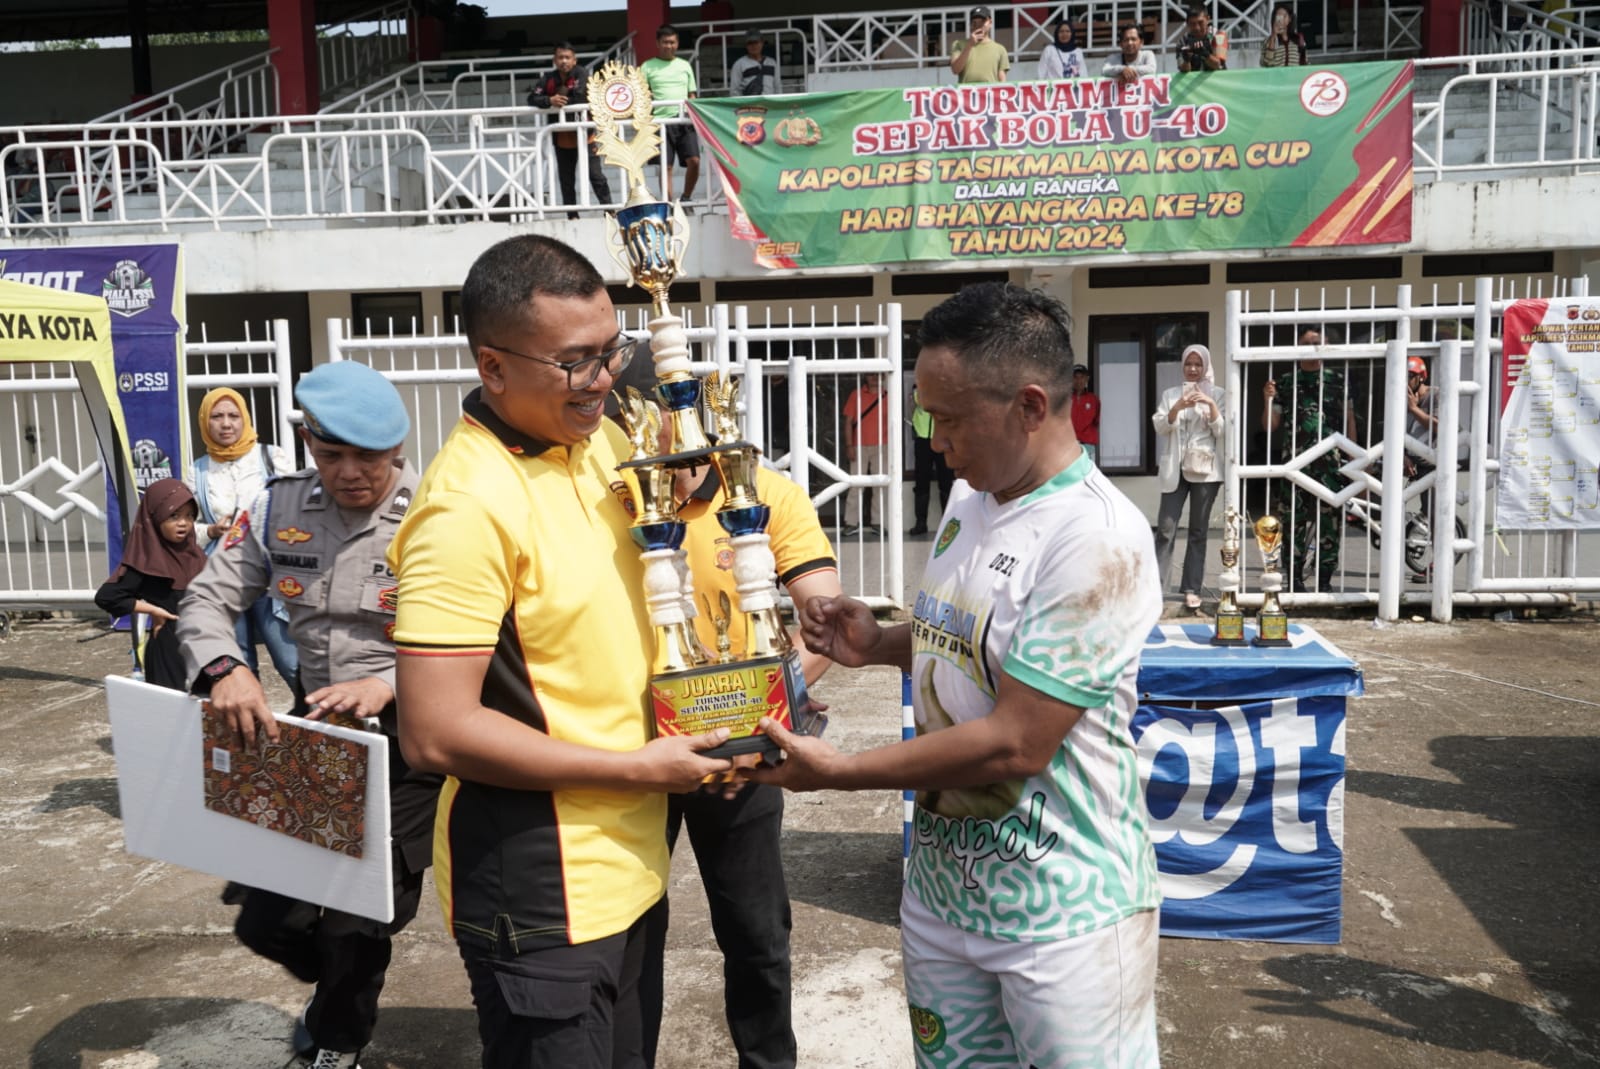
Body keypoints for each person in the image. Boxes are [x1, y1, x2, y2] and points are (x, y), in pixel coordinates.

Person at [750, 282, 1164, 1069]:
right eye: (923, 414)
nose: (932, 439)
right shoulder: (969, 498)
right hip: (944, 897)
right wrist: (878, 644)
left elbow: (1016, 742)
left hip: (1063, 914)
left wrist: (837, 773)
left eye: (948, 418)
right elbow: (969, 642)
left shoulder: (1096, 539)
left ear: (1031, 406)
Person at [386, 234, 733, 1069]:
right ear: (494, 367)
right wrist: (640, 769)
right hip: (543, 887)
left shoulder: (599, 439)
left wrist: (700, 488)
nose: (606, 379)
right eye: (576, 362)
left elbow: (677, 513)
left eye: (611, 350)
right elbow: (434, 732)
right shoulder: (466, 507)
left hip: (630, 863)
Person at [176, 360, 444, 1069]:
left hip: (412, 734)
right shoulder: (276, 506)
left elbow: (489, 631)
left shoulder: (438, 513)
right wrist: (228, 669)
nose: (351, 472)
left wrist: (390, 682)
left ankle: (337, 1039)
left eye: (369, 455)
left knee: (363, 915)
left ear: (399, 447)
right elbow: (205, 599)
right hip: (315, 731)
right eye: (332, 454)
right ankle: (333, 991)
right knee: (269, 919)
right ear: (307, 442)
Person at [622, 357, 842, 1069]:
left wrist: (769, 717)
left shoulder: (764, 493)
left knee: (755, 934)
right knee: (627, 935)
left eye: (657, 407)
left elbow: (825, 623)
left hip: (745, 755)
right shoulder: (606, 503)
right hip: (636, 756)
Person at [189, 386, 298, 687]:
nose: (226, 424)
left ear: (245, 418)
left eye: (234, 416)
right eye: (217, 416)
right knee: (239, 666)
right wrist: (210, 531)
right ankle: (251, 732)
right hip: (224, 578)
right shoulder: (197, 471)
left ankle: (318, 726)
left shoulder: (271, 457)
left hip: (268, 575)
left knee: (290, 660)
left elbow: (294, 507)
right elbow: (186, 527)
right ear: (204, 422)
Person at [1261, 329, 1357, 592]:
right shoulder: (1286, 382)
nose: (1313, 347)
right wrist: (1267, 400)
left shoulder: (1338, 381)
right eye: (1307, 343)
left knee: (1330, 524)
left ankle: (1324, 582)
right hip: (1296, 464)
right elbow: (1271, 425)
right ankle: (1294, 580)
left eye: (1317, 343)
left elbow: (1349, 421)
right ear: (1297, 347)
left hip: (1330, 465)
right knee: (1294, 522)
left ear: (1326, 346)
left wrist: (1355, 458)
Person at [96, 478, 206, 690]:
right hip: (170, 650)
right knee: (175, 715)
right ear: (155, 516)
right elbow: (107, 597)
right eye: (174, 515)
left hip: (204, 644)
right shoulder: (146, 560)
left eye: (189, 516)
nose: (183, 523)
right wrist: (154, 609)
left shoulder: (195, 554)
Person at [1153, 344, 1224, 611]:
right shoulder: (1171, 394)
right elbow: (1159, 426)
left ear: (1205, 366)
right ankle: (1158, 588)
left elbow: (1223, 431)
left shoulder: (1218, 394)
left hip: (1206, 471)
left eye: (1198, 364)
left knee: (1198, 531)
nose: (1193, 369)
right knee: (1165, 529)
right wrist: (1177, 408)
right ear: (1182, 366)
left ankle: (1192, 588)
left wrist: (1210, 405)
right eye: (1188, 364)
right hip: (1175, 470)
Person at [527, 41, 613, 218]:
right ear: (554, 60)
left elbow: (580, 97)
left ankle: (610, 211)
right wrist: (549, 101)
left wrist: (558, 101)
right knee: (566, 180)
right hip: (562, 138)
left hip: (585, 135)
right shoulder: (548, 78)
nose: (564, 61)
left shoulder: (581, 73)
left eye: (567, 57)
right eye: (560, 58)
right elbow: (532, 98)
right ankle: (572, 215)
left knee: (596, 176)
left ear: (574, 60)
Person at [642, 25, 701, 201]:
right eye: (665, 42)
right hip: (659, 122)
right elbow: (640, 94)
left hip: (683, 120)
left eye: (672, 42)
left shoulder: (684, 65)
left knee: (695, 162)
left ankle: (686, 197)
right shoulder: (646, 67)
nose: (669, 46)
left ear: (677, 43)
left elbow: (692, 94)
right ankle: (668, 203)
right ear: (658, 44)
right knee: (665, 166)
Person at [842, 373, 889, 536]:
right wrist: (849, 445)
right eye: (871, 375)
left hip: (882, 445)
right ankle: (851, 522)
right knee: (856, 484)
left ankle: (879, 522)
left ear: (883, 376)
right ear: (865, 377)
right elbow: (848, 421)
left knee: (880, 485)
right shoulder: (856, 395)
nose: (875, 378)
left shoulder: (888, 396)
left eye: (878, 375)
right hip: (859, 445)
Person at [908, 388, 953, 537]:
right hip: (923, 438)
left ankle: (947, 524)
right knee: (921, 481)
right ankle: (921, 523)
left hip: (943, 438)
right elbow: (922, 401)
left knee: (946, 481)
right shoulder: (920, 387)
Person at [950, 6, 1009, 85]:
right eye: (974, 23)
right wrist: (969, 45)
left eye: (982, 22)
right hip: (966, 95)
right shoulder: (958, 44)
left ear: (990, 23)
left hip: (990, 96)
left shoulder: (1000, 49)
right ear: (970, 25)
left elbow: (1002, 81)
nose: (978, 26)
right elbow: (955, 69)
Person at [729, 29, 781, 97]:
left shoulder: (772, 63)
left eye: (756, 42)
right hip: (749, 105)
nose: (753, 46)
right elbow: (734, 91)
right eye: (750, 43)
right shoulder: (739, 64)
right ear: (746, 45)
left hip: (770, 103)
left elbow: (777, 87)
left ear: (762, 43)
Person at [1176, 5, 1229, 71]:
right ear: (1187, 23)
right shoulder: (1183, 42)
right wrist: (1187, 60)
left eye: (1200, 23)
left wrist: (1204, 54)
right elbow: (1183, 70)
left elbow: (1219, 65)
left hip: (1217, 80)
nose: (1197, 28)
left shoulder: (1219, 36)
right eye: (1192, 24)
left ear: (1207, 19)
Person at [1070, 362, 1100, 464]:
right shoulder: (1065, 399)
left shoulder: (1093, 399)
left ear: (1087, 379)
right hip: (1069, 445)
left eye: (1081, 377)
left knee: (1088, 476)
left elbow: (1096, 420)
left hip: (1088, 445)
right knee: (1071, 477)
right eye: (1075, 377)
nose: (1079, 381)